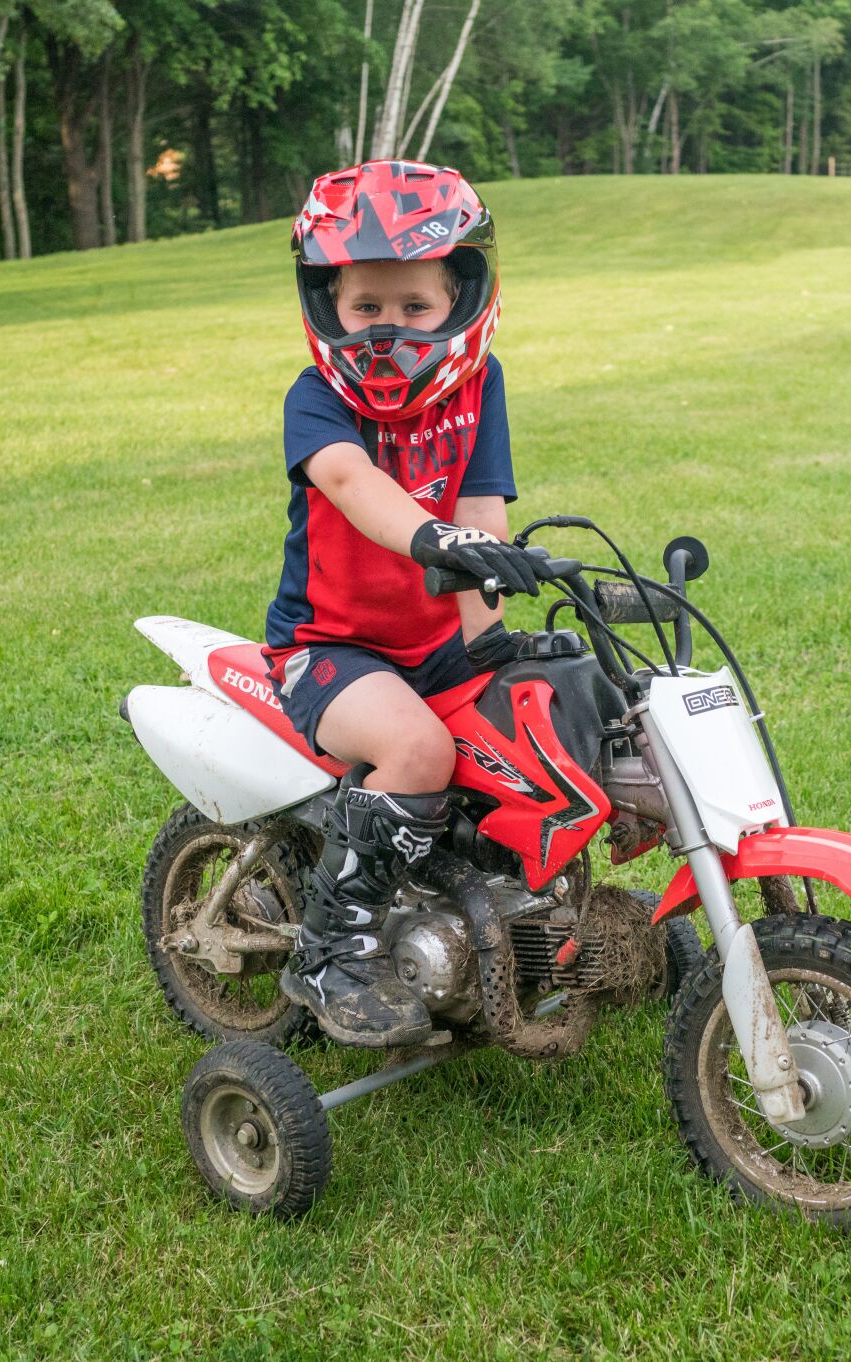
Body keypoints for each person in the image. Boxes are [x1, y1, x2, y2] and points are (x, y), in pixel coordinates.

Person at [262, 161, 540, 1048]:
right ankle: (331, 946)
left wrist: (493, 647)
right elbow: (353, 483)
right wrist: (429, 538)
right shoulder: (316, 401)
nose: (389, 330)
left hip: (436, 643)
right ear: (327, 304)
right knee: (419, 749)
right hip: (330, 647)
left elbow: (481, 508)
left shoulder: (478, 383)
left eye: (414, 308)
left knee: (534, 723)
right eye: (366, 308)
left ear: (460, 298)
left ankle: (505, 921)